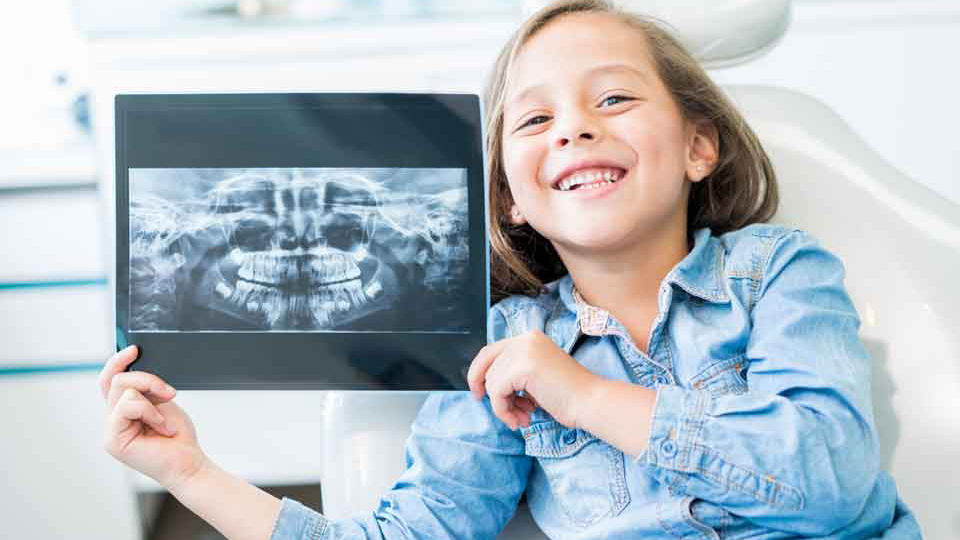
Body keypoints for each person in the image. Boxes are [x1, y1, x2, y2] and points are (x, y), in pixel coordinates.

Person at [99, 1, 923, 538]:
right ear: (511, 196)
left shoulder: (777, 275)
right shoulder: (506, 349)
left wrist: (585, 396)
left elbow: (836, 480)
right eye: (535, 118)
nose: (572, 130)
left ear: (699, 146)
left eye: (614, 100)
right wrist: (191, 473)